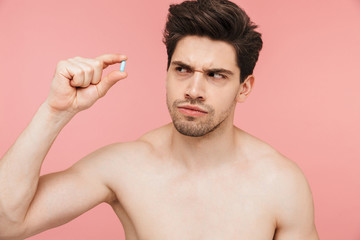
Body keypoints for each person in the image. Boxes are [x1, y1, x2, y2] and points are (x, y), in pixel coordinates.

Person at [0, 0, 319, 239]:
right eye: (182, 69)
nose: (194, 90)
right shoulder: (125, 166)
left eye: (215, 75)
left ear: (244, 88)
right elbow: (7, 223)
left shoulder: (279, 183)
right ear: (167, 73)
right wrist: (55, 111)